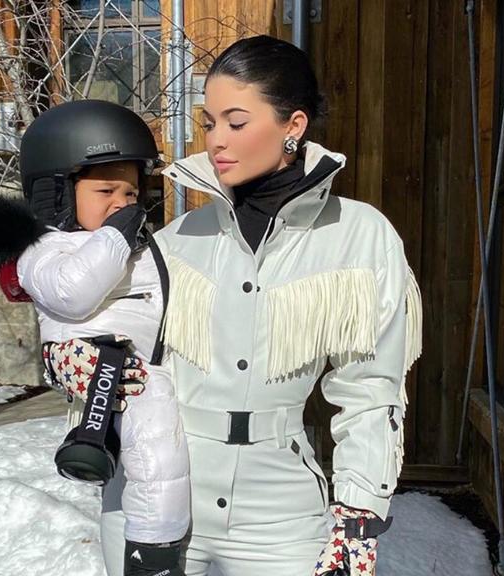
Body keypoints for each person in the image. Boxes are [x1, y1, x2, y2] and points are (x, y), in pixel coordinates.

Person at [86, 35, 423, 576]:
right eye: (209, 122)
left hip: (281, 512)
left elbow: (370, 390)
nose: (217, 140)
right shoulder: (176, 239)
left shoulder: (359, 236)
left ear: (294, 125)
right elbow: (111, 349)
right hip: (157, 495)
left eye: (236, 122)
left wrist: (358, 515)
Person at [0, 100, 191, 576]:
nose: (122, 203)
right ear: (58, 193)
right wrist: (115, 238)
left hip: (139, 363)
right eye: (105, 190)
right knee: (153, 422)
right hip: (113, 370)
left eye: (131, 192)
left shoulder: (128, 242)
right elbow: (71, 294)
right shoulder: (42, 248)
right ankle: (155, 547)